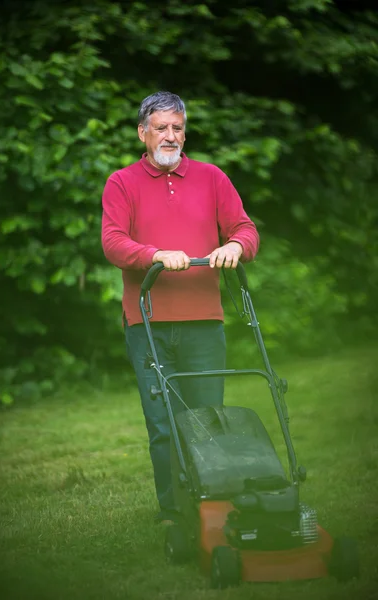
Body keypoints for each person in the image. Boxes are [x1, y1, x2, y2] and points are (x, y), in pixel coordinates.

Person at [101, 91, 259, 524]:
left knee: (208, 418)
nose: (170, 136)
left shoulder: (212, 178)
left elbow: (246, 229)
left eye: (177, 128)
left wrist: (235, 245)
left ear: (184, 132)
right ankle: (175, 512)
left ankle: (214, 504)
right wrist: (154, 254)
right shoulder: (121, 182)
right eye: (161, 128)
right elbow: (113, 242)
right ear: (142, 133)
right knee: (164, 423)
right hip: (148, 324)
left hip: (205, 323)